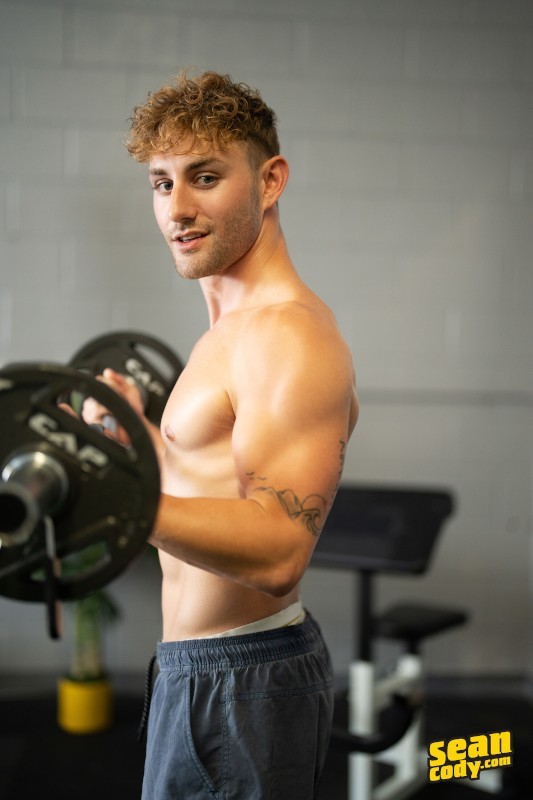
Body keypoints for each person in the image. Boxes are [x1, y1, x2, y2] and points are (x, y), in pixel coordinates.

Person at [87, 70, 358, 800]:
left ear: (270, 181)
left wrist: (114, 504)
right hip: (200, 670)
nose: (176, 208)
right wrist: (140, 442)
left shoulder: (287, 335)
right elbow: (209, 486)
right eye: (161, 183)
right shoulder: (229, 331)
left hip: (242, 678)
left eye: (204, 177)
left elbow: (278, 550)